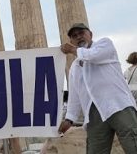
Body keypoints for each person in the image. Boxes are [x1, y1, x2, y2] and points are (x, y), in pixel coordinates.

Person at [58, 22, 137, 153]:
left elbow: (93, 56)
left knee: (133, 144)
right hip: (93, 113)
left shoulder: (105, 44)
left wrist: (72, 50)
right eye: (74, 36)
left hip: (117, 105)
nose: (78, 37)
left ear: (90, 34)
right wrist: (69, 119)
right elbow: (75, 96)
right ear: (71, 40)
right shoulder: (74, 67)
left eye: (81, 33)